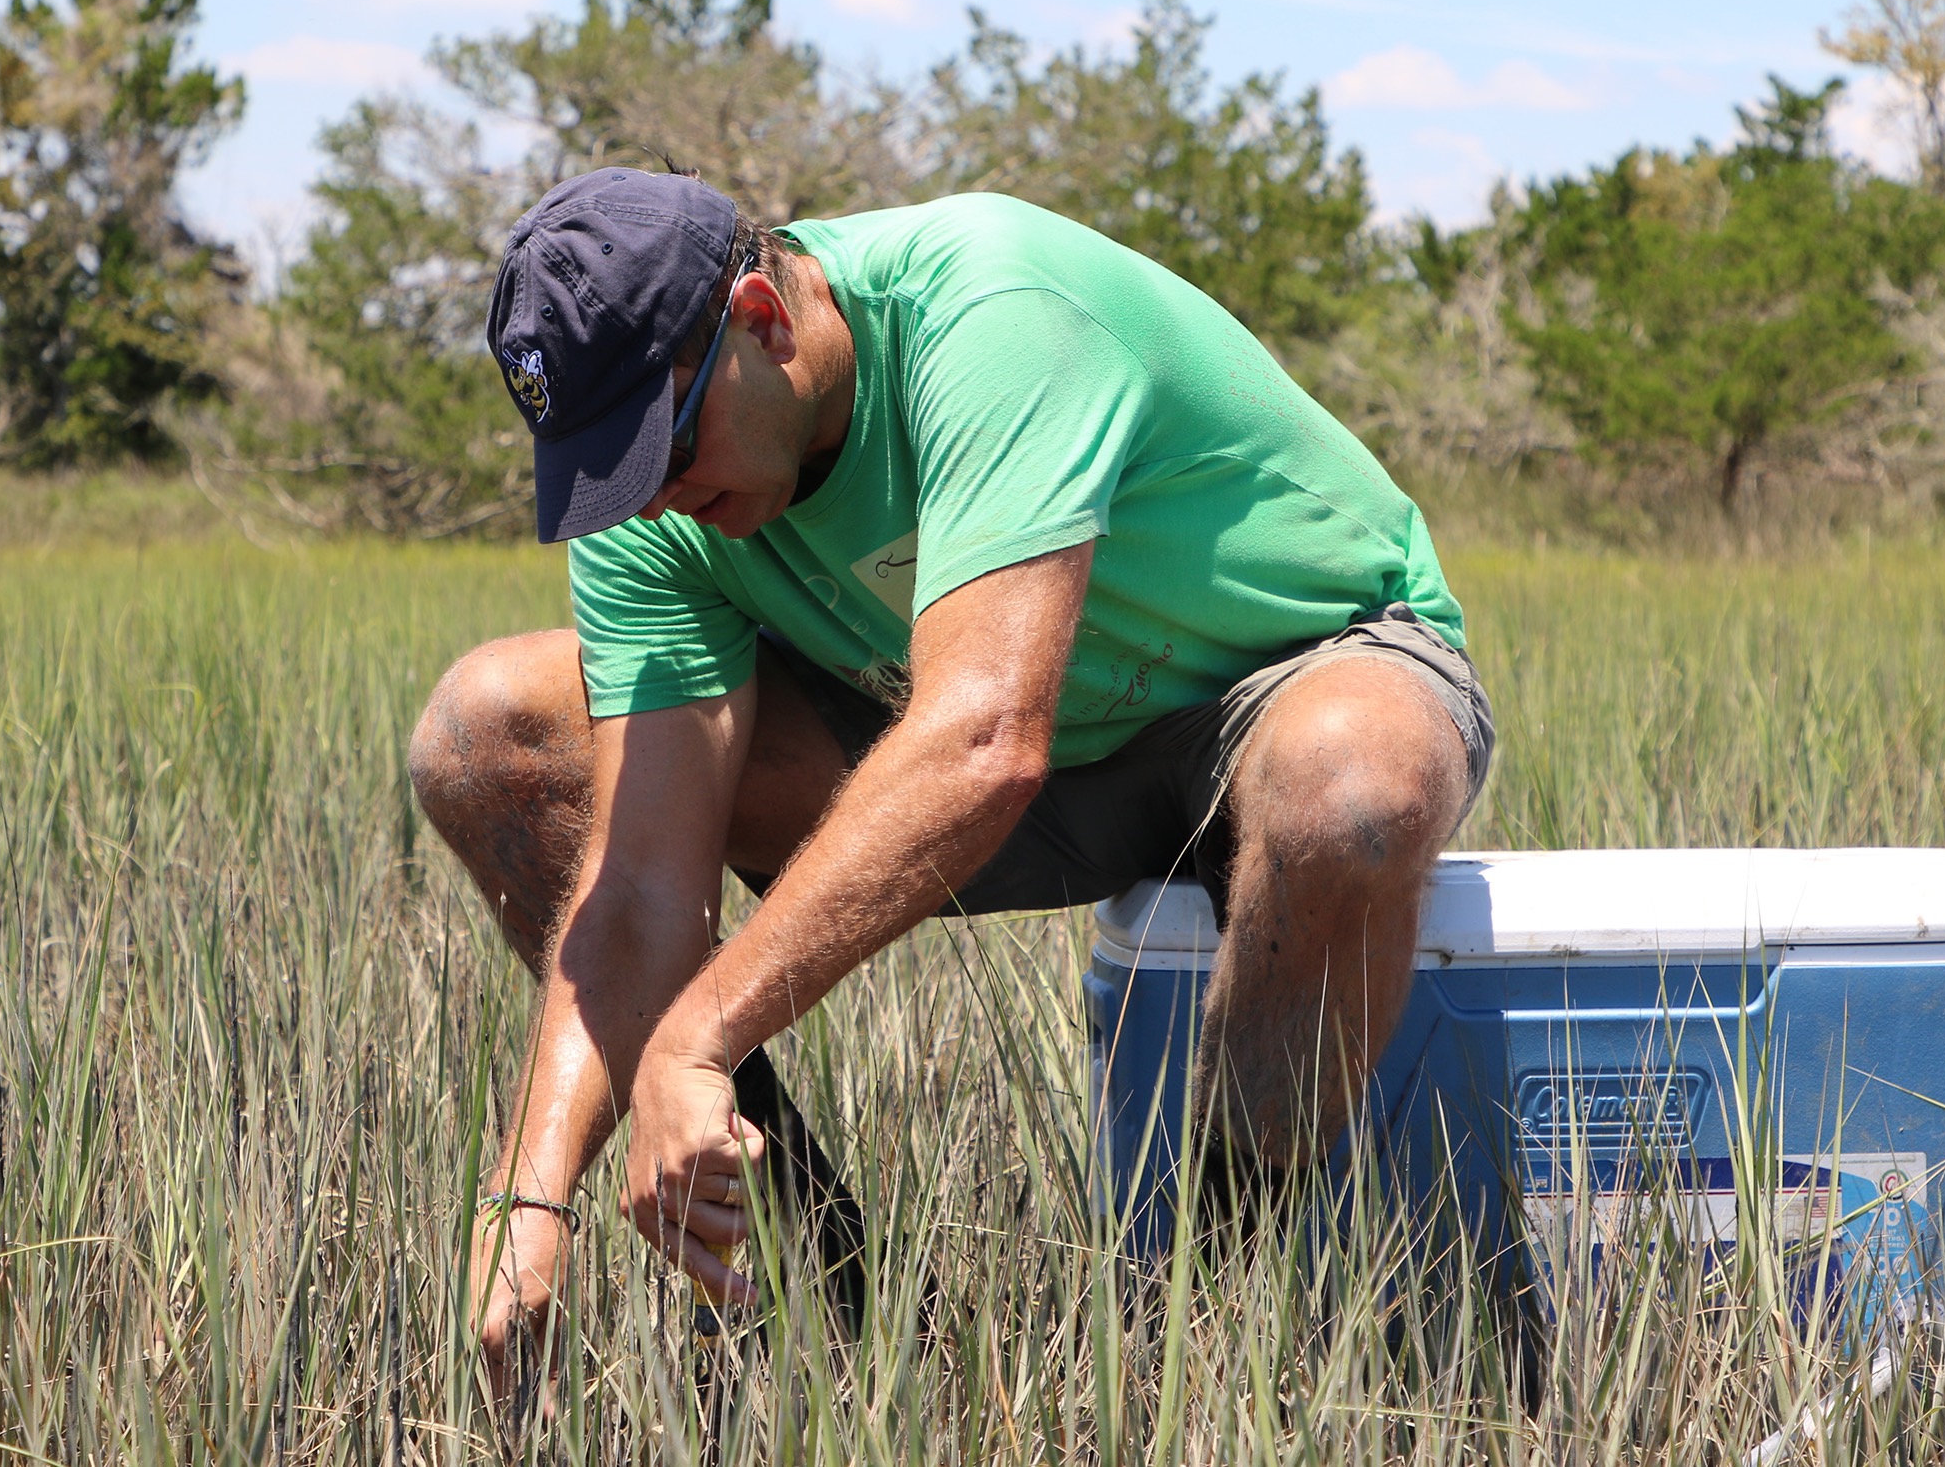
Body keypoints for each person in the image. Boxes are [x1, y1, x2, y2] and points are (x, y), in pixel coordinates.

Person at [409, 168, 1493, 1390]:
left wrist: (693, 1040)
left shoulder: (988, 304)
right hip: (1002, 763)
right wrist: (530, 1199)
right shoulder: (653, 504)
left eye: (663, 448)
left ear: (764, 318)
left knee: (1349, 791)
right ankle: (833, 1321)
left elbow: (984, 740)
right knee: (492, 732)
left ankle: (1198, 1332)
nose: (654, 500)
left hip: (1281, 689)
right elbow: (643, 887)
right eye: (611, 473)